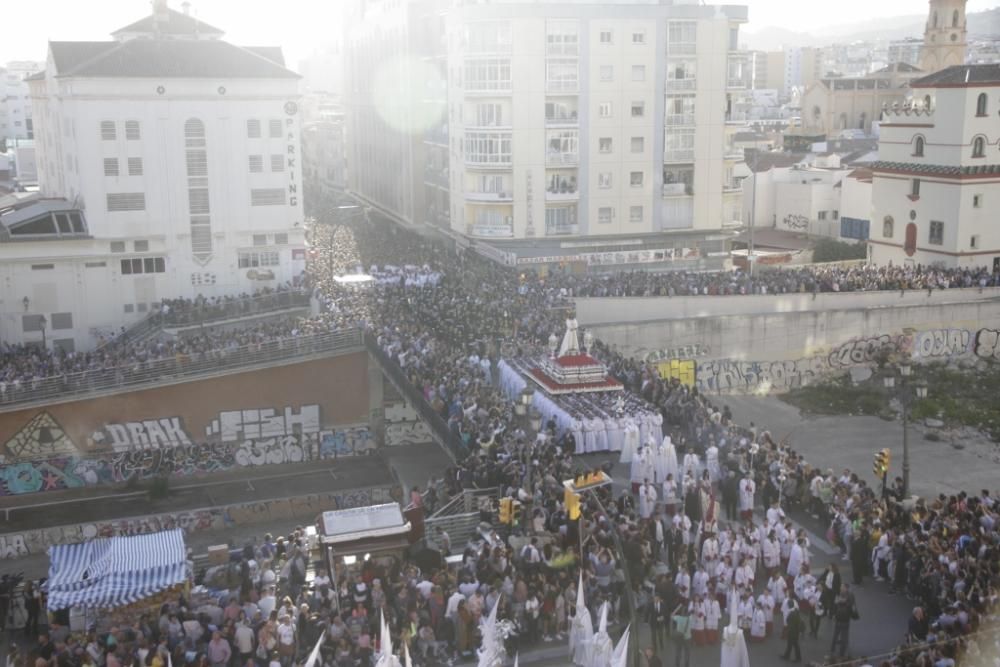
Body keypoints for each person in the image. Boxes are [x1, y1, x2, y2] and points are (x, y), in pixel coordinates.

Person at [830, 584, 856, 658]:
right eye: (841, 587)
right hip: (839, 618)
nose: (841, 588)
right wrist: (834, 614)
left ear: (846, 588)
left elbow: (850, 605)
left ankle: (841, 652)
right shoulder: (840, 594)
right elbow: (835, 604)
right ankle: (833, 649)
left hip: (845, 619)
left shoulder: (850, 595)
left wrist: (842, 602)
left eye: (842, 587)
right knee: (836, 635)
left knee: (843, 636)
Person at [672, 601, 692, 667]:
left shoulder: (678, 618)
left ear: (682, 612)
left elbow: (672, 615)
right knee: (687, 653)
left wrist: (679, 607)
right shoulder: (690, 618)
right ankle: (687, 665)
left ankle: (677, 664)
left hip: (679, 637)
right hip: (687, 638)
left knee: (678, 652)